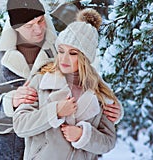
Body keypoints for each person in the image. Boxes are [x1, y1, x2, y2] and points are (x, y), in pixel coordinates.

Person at [0, 0, 122, 159]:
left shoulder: (63, 45)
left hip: (53, 146)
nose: (38, 29)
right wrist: (9, 101)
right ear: (15, 26)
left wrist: (112, 110)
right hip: (5, 146)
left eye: (41, 20)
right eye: (29, 25)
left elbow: (90, 82)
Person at [13, 8, 119, 159]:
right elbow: (20, 125)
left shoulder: (99, 93)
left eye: (73, 53)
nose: (64, 59)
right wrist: (54, 111)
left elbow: (108, 141)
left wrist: (83, 135)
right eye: (61, 51)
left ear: (85, 58)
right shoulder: (41, 80)